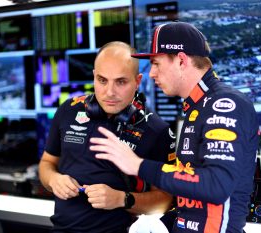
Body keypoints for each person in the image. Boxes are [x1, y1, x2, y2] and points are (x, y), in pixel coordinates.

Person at [90, 22, 260, 233]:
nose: (151, 73)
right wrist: (163, 222)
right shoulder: (197, 107)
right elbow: (194, 199)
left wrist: (139, 166)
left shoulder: (225, 104)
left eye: (156, 63)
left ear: (180, 60)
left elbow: (217, 186)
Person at [38, 41, 176, 233]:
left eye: (121, 82)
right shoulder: (68, 111)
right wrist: (54, 180)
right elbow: (46, 163)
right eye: (102, 80)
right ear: (94, 77)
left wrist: (121, 199)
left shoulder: (156, 130)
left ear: (137, 81)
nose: (110, 92)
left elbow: (166, 201)